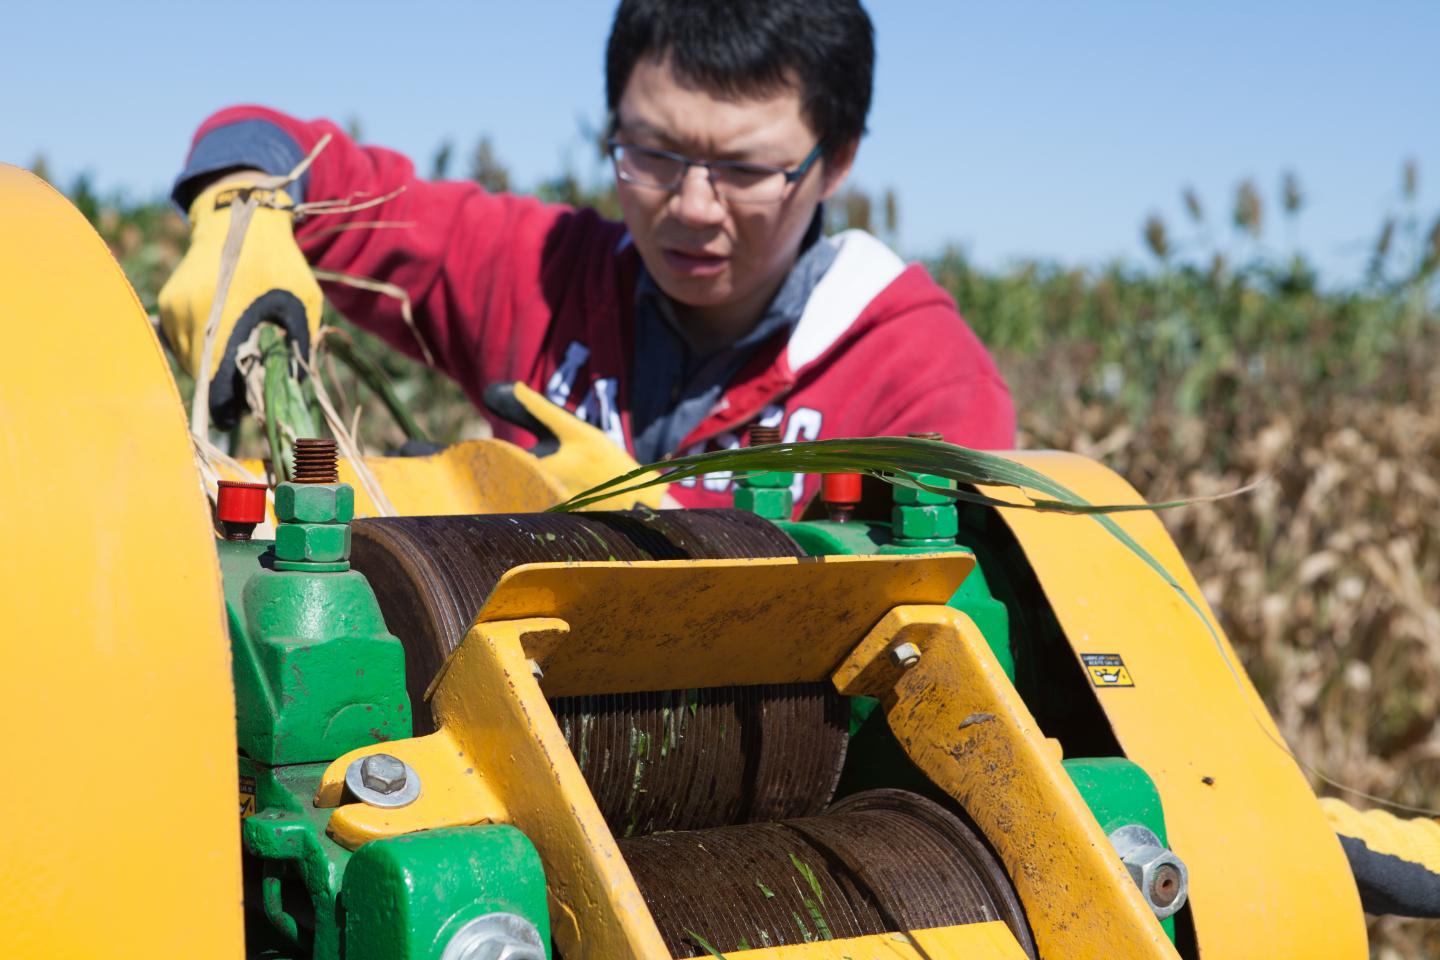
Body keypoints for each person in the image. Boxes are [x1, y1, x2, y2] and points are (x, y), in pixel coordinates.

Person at [159, 0, 1015, 514]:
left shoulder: (921, 381)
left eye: (746, 170)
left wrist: (654, 533)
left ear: (838, 158)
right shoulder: (543, 271)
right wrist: (245, 212)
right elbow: (269, 143)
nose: (690, 206)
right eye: (651, 155)